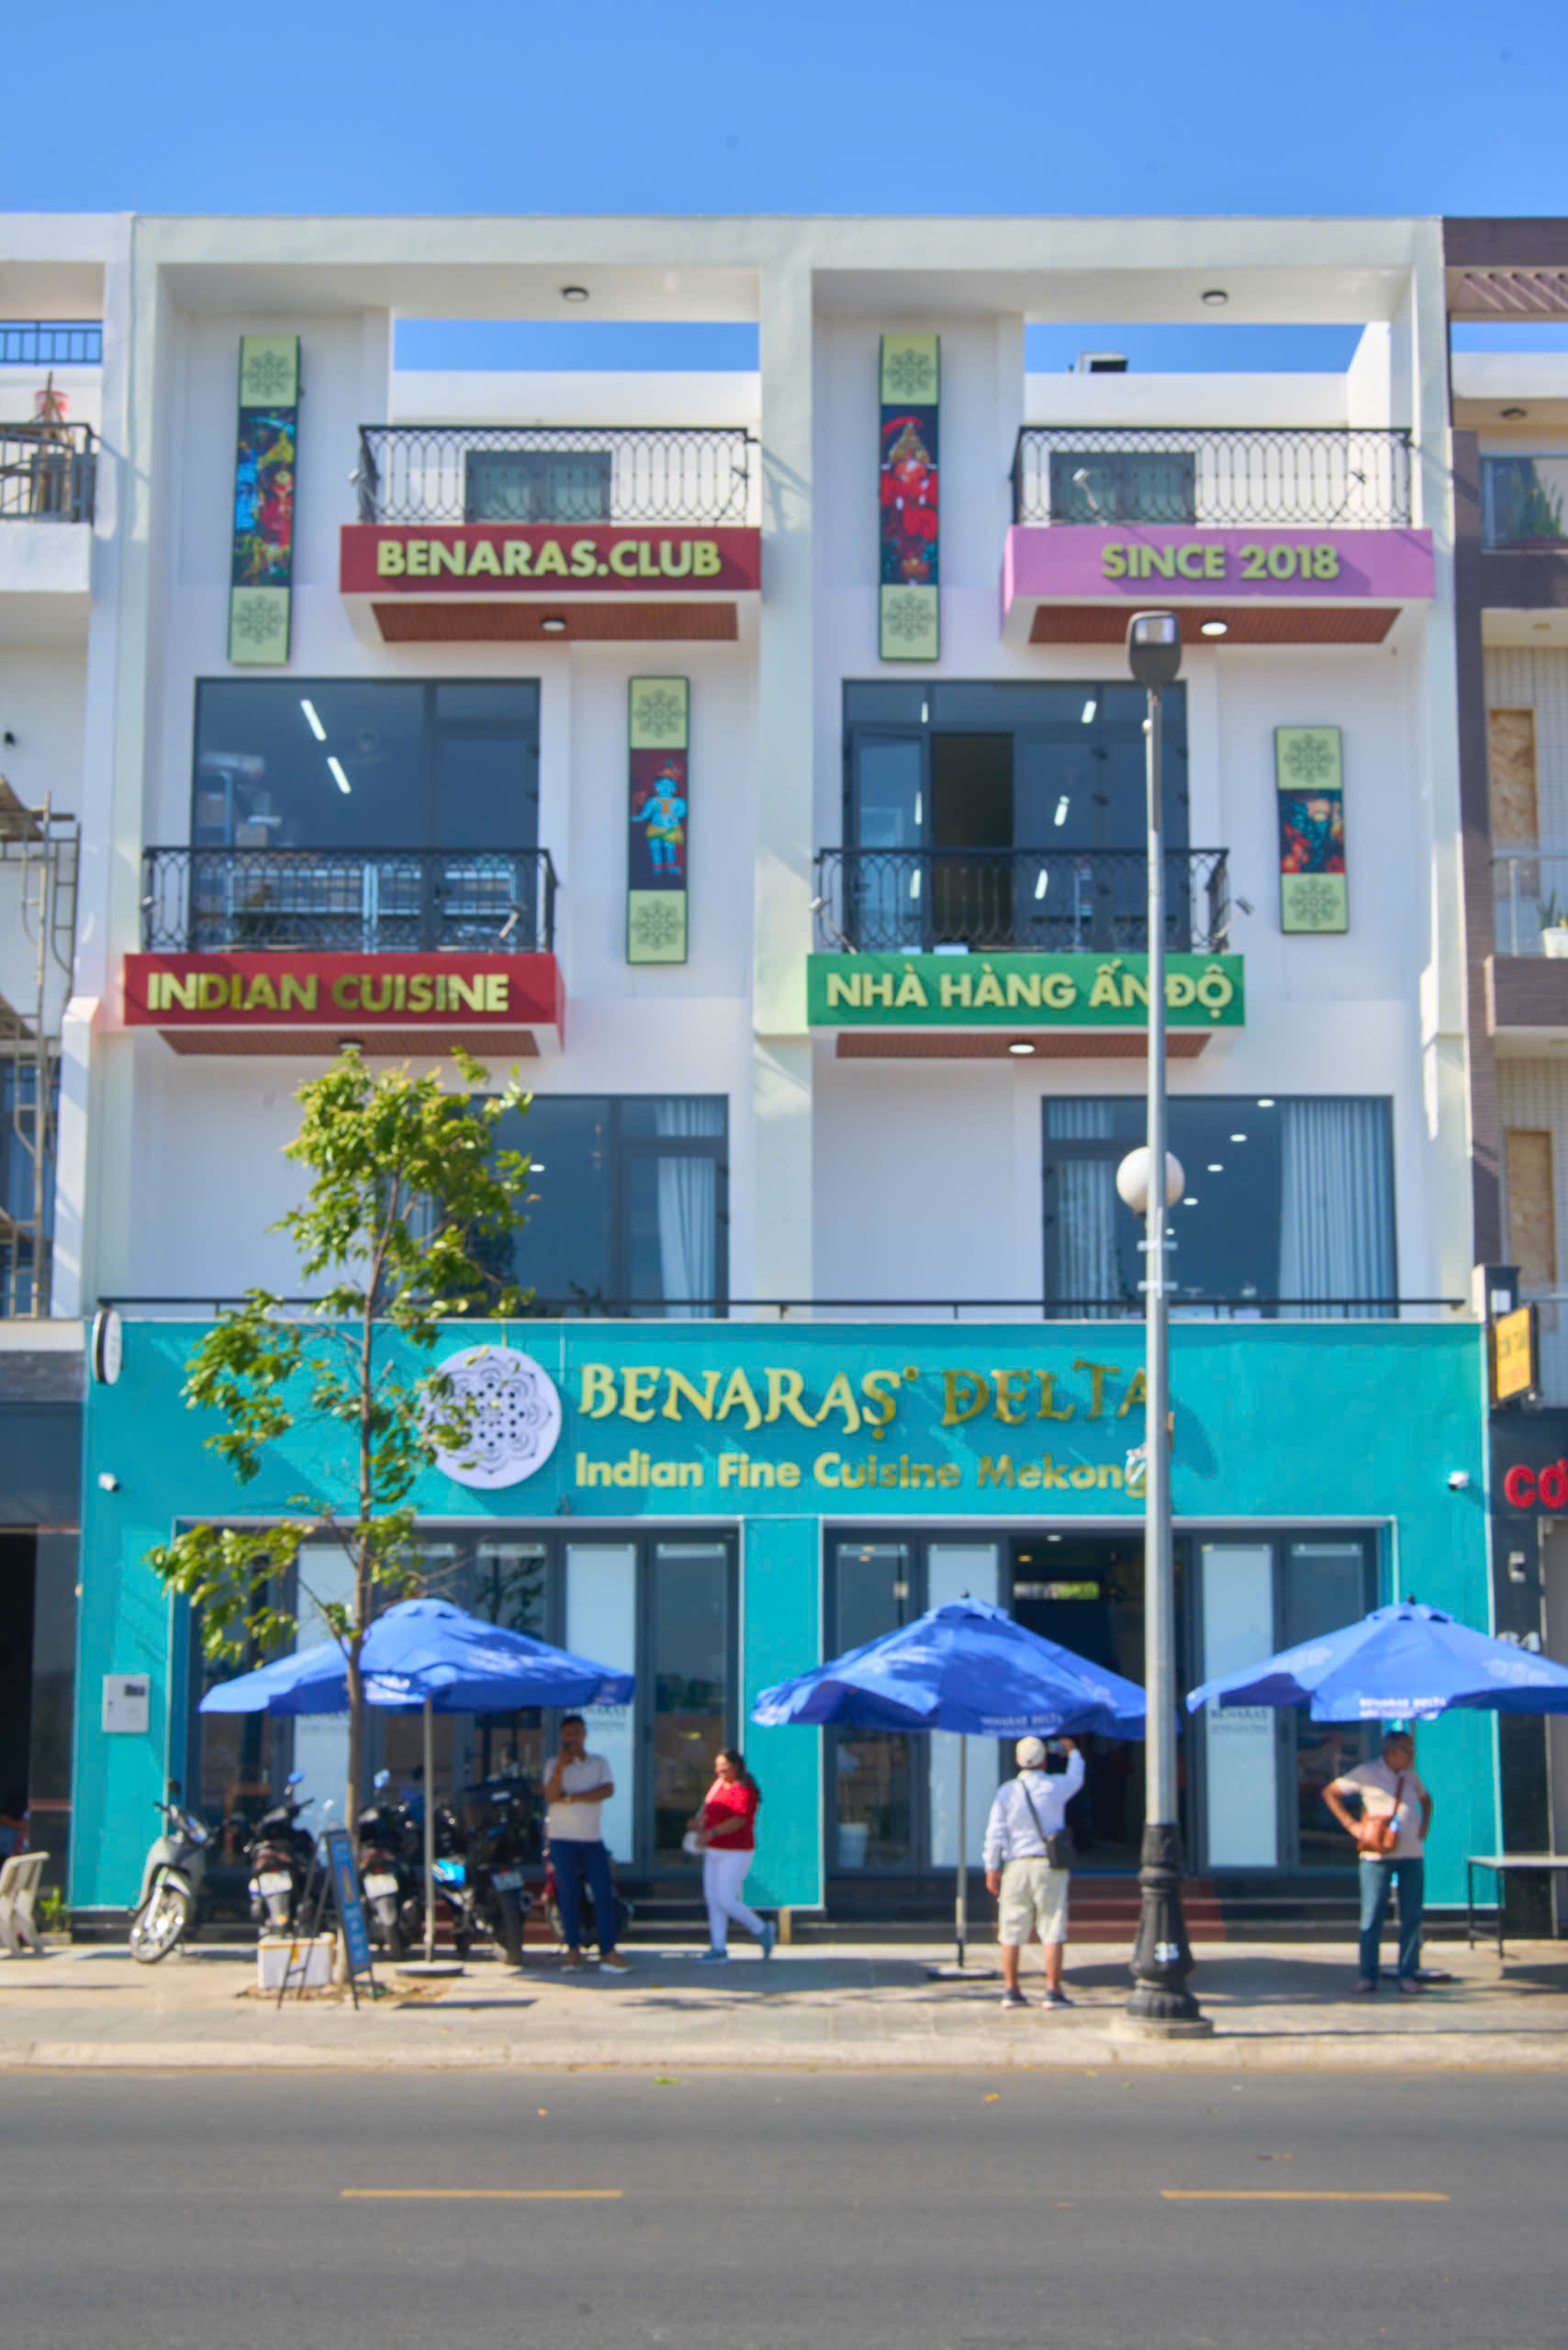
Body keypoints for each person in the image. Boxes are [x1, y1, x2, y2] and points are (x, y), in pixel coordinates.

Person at [1324, 1729, 1433, 1995]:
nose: (1411, 1756)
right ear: (1392, 1751)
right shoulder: (1367, 1772)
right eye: (1407, 1750)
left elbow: (1426, 1799)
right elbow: (1331, 1792)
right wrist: (1352, 1825)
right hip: (1377, 1856)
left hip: (1411, 1855)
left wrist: (1424, 1826)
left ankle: (1408, 1973)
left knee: (1411, 1915)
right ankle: (1367, 1975)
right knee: (1372, 1916)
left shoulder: (1410, 1775)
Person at [983, 1734, 1085, 2010]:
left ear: (1018, 1760)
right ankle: (1052, 1990)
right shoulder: (1054, 1786)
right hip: (1048, 1864)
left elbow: (996, 1832)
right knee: (1052, 1927)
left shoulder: (1006, 1791)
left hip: (1015, 1865)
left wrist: (991, 1866)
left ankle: (1011, 1989)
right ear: (1043, 1760)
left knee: (1011, 1929)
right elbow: (1077, 1778)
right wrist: (1073, 1752)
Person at [543, 1713, 629, 1975]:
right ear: (561, 1736)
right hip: (562, 1839)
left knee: (604, 1894)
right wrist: (561, 1767)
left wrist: (574, 1798)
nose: (573, 1739)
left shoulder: (598, 1762)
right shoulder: (552, 1764)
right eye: (568, 1734)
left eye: (578, 1733)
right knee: (568, 1894)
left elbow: (607, 1790)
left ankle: (608, 1950)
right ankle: (572, 1949)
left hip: (592, 1840)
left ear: (584, 1735)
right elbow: (551, 1796)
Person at [688, 1748, 776, 1965]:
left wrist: (713, 1832)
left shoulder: (746, 1790)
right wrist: (699, 1825)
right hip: (713, 1850)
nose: (719, 1770)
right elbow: (708, 1814)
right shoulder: (717, 1786)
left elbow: (740, 1819)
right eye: (717, 1766)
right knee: (713, 1900)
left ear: (736, 1766)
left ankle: (762, 1929)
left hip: (736, 1851)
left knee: (726, 1899)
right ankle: (718, 1948)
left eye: (724, 1766)